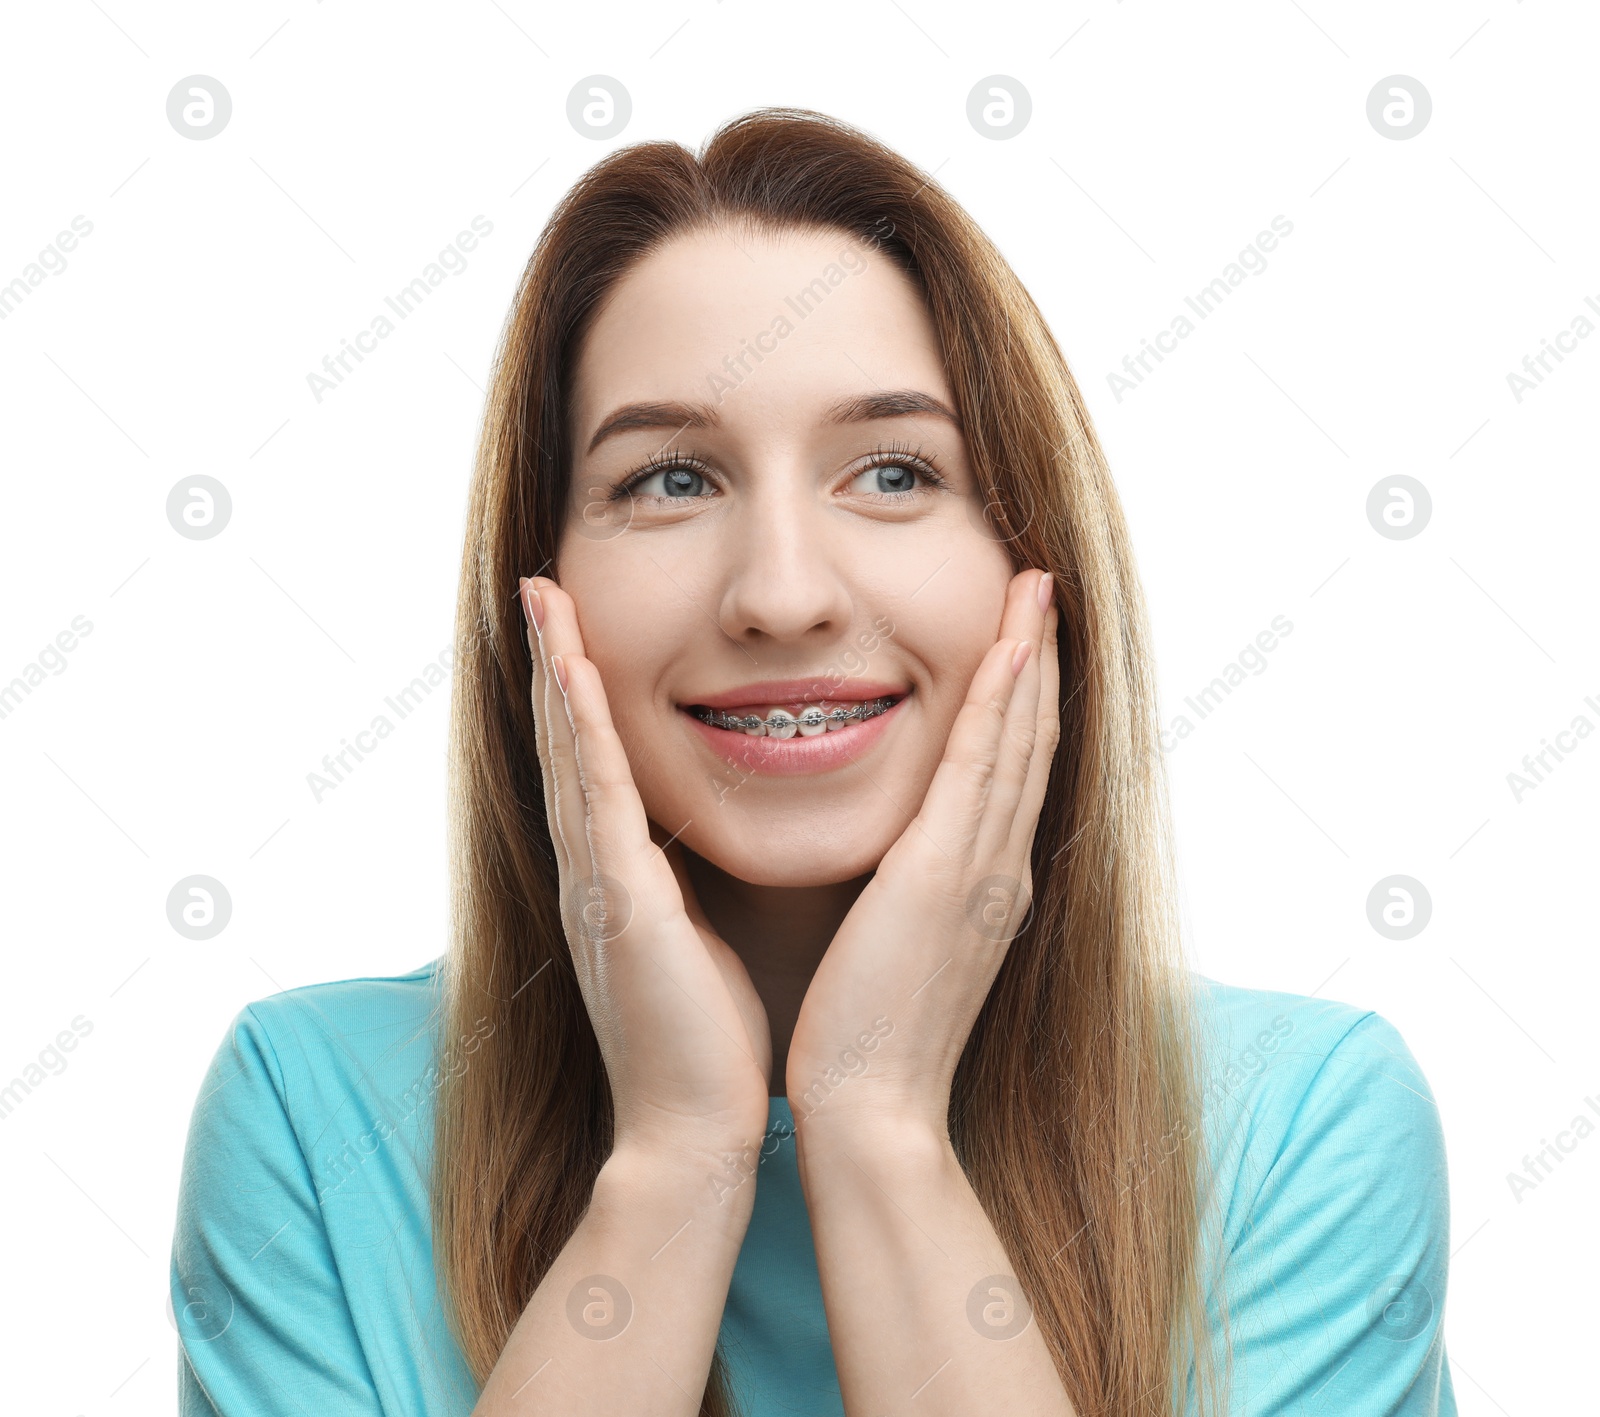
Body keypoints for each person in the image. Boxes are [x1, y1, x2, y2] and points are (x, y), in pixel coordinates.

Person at [170, 108, 1456, 1416]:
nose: (780, 595)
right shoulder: (312, 1117)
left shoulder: (1304, 1128)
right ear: (541, 587)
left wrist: (880, 1124)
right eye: (671, 480)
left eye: (893, 470)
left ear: (1032, 564)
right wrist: (675, 1159)